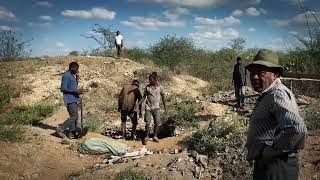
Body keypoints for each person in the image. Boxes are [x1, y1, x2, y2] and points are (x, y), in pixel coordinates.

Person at [245, 49, 307, 180]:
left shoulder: (277, 94)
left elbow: (298, 130)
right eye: (252, 72)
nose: (254, 77)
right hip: (270, 165)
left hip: (276, 167)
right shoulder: (268, 93)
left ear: (275, 74)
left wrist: (269, 153)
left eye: (261, 72)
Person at [136, 72, 166, 145]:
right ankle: (146, 136)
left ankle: (155, 136)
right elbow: (144, 97)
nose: (149, 81)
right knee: (147, 122)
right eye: (149, 79)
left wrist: (165, 107)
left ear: (155, 80)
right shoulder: (147, 87)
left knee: (157, 122)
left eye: (151, 79)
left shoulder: (160, 87)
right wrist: (138, 104)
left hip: (157, 108)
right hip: (148, 108)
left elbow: (163, 97)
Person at [56, 62, 83, 139]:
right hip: (69, 99)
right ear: (72, 68)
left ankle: (72, 133)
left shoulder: (72, 76)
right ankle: (60, 128)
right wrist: (76, 92)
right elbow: (63, 89)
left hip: (74, 98)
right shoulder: (66, 75)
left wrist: (77, 78)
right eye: (76, 69)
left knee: (76, 117)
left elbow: (74, 86)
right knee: (73, 116)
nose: (77, 70)